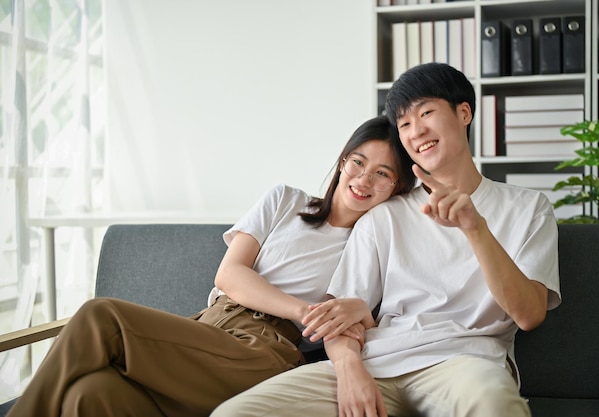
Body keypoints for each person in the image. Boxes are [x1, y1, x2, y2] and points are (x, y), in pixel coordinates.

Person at [211, 62, 562, 417]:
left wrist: (475, 228)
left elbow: (529, 314)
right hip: (375, 362)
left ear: (464, 113)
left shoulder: (528, 207)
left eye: (426, 113)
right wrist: (350, 371)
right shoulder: (384, 215)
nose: (416, 131)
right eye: (405, 123)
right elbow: (339, 316)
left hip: (465, 363)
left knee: (495, 409)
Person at [7, 115, 416, 417]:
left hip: (265, 348)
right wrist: (303, 309)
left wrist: (310, 319)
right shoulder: (286, 200)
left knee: (101, 316)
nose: (363, 179)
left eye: (383, 174)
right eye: (358, 162)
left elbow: (355, 321)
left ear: (396, 189)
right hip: (208, 326)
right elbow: (229, 274)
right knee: (91, 394)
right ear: (343, 161)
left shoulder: (372, 247)